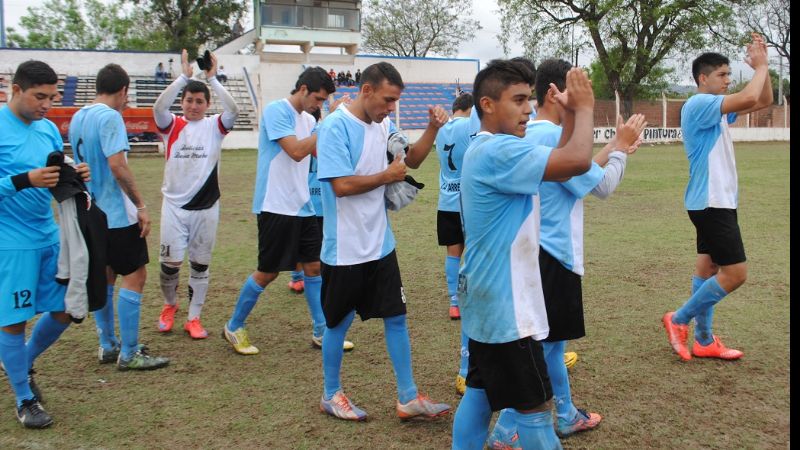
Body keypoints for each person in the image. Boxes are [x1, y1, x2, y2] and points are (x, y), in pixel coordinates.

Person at [487, 58, 647, 447]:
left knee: (551, 345)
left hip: (537, 254)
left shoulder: (539, 136)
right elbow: (602, 185)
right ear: (555, 94)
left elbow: (580, 169)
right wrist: (622, 150)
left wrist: (612, 145)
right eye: (580, 91)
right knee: (540, 348)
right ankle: (507, 431)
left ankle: (565, 412)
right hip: (553, 256)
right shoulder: (547, 138)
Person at [451, 59, 596, 449]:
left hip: (485, 295)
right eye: (517, 100)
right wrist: (584, 109)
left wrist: (566, 115)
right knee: (534, 410)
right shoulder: (499, 151)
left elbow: (563, 165)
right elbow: (577, 161)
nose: (528, 108)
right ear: (487, 104)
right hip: (506, 306)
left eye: (530, 99)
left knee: (480, 394)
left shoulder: (489, 148)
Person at [315, 61, 451, 422]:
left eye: (395, 101)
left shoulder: (385, 125)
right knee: (336, 325)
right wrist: (386, 175)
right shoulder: (334, 128)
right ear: (367, 90)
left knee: (396, 317)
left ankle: (408, 397)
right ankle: (331, 394)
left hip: (380, 245)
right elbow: (341, 187)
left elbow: (414, 161)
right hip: (344, 250)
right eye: (388, 99)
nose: (392, 108)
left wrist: (433, 128)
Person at [223, 66, 354, 355]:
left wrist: (342, 123)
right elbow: (295, 151)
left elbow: (319, 151)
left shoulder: (308, 120)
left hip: (303, 205)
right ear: (304, 89)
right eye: (318, 99)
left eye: (323, 102)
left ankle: (321, 330)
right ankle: (234, 326)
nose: (318, 106)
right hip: (275, 205)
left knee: (313, 267)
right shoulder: (276, 111)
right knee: (267, 272)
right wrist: (329, 121)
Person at [663, 33, 772, 361]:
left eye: (729, 74)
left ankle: (705, 339)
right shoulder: (699, 104)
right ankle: (678, 319)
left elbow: (760, 99)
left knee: (708, 268)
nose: (728, 80)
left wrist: (760, 69)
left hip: (714, 201)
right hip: (712, 202)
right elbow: (750, 94)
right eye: (722, 75)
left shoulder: (717, 110)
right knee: (735, 273)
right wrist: (762, 66)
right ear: (702, 78)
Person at [0, 60, 90, 428]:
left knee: (66, 310)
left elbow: (56, 170)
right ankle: (24, 398)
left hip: (49, 237)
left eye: (52, 97)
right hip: (12, 245)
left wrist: (74, 173)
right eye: (39, 97)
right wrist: (24, 180)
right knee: (14, 323)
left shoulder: (49, 129)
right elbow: (25, 179)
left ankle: (21, 361)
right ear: (15, 89)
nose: (46, 105)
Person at [69, 64, 170, 371]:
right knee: (135, 275)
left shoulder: (77, 117)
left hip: (89, 211)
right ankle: (129, 352)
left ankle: (107, 344)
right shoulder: (110, 117)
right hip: (115, 212)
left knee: (106, 274)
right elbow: (117, 165)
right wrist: (140, 204)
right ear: (123, 90)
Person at [152, 49, 239, 339]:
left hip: (206, 207)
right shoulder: (172, 125)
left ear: (206, 104)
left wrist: (211, 79)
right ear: (183, 102)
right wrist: (182, 79)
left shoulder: (215, 126)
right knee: (169, 266)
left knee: (200, 264)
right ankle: (169, 306)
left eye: (199, 101)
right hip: (174, 208)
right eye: (189, 100)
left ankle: (194, 317)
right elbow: (157, 109)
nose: (193, 106)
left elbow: (233, 111)